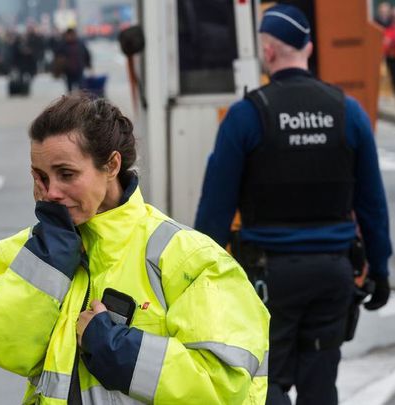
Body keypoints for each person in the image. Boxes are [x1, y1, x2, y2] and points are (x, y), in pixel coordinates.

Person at [0, 94, 270, 404]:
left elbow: (223, 386)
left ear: (112, 165)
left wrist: (113, 348)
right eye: (41, 177)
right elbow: (3, 346)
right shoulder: (29, 251)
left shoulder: (187, 257)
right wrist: (52, 256)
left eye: (67, 174)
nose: (52, 192)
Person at [194, 5, 392, 405]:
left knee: (267, 381)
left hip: (269, 279)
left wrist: (200, 281)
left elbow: (215, 209)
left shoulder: (247, 116)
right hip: (332, 273)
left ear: (267, 53)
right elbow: (372, 203)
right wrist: (381, 269)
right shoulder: (347, 112)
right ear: (310, 48)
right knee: (321, 386)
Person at [54, 28, 92, 93]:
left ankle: (81, 101)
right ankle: (71, 102)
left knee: (82, 88)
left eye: (72, 35)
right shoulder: (63, 45)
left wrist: (89, 64)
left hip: (79, 69)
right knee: (70, 90)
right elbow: (57, 55)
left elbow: (86, 54)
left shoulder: (80, 44)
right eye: (69, 35)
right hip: (68, 70)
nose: (70, 36)